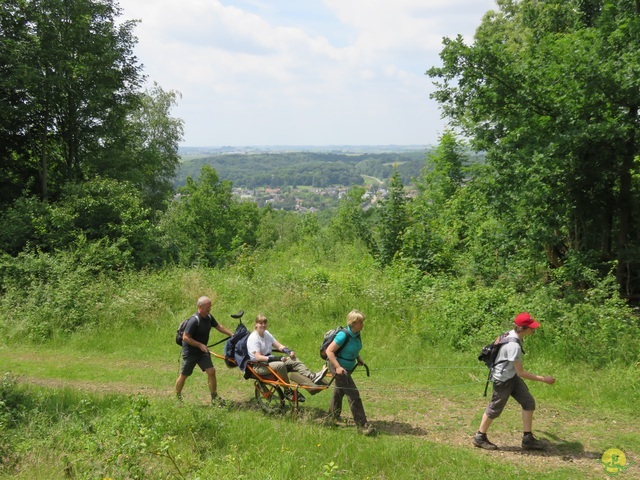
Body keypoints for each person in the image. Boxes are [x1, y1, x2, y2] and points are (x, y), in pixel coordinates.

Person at [473, 312, 556, 450]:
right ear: (523, 328)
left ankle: (527, 439)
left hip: (511, 377)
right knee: (495, 409)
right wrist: (544, 379)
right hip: (503, 380)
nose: (533, 329)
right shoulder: (514, 346)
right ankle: (479, 437)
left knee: (528, 402)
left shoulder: (509, 334)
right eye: (531, 327)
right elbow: (521, 372)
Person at [247, 314, 328, 402]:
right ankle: (287, 390)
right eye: (260, 323)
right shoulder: (253, 338)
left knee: (294, 360)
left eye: (265, 323)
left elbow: (278, 346)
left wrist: (289, 352)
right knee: (280, 365)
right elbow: (258, 357)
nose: (263, 325)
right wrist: (278, 358)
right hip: (259, 366)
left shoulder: (266, 334)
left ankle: (312, 376)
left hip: (269, 362)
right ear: (256, 324)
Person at [325, 309, 375, 436]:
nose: (362, 325)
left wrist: (358, 358)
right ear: (353, 323)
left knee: (339, 391)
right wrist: (337, 367)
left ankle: (332, 418)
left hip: (347, 367)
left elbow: (353, 348)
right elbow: (329, 351)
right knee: (353, 395)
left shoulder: (357, 334)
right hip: (339, 367)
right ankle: (362, 426)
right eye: (360, 322)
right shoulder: (343, 335)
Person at [175, 296, 233, 404]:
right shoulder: (194, 320)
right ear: (200, 307)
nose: (210, 308)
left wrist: (231, 334)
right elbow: (185, 338)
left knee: (211, 371)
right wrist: (199, 345)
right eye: (208, 306)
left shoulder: (209, 317)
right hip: (190, 352)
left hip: (202, 351)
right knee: (184, 375)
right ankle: (178, 397)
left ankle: (214, 398)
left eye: (210, 306)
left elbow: (218, 326)